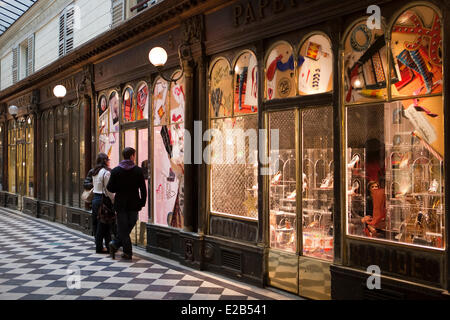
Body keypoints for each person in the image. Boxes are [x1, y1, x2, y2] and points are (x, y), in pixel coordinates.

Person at [107, 147, 147, 260]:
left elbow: (110, 188)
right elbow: (143, 189)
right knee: (129, 224)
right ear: (132, 156)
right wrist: (142, 202)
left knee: (124, 227)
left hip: (120, 203)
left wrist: (118, 188)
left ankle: (115, 243)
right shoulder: (138, 171)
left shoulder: (115, 171)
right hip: (134, 203)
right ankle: (127, 252)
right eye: (134, 155)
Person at [91, 153, 115, 253]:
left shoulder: (95, 172)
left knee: (100, 224)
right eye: (108, 159)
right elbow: (108, 190)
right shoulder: (106, 173)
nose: (109, 161)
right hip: (103, 200)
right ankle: (100, 248)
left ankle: (106, 246)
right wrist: (113, 200)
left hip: (96, 199)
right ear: (105, 161)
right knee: (104, 225)